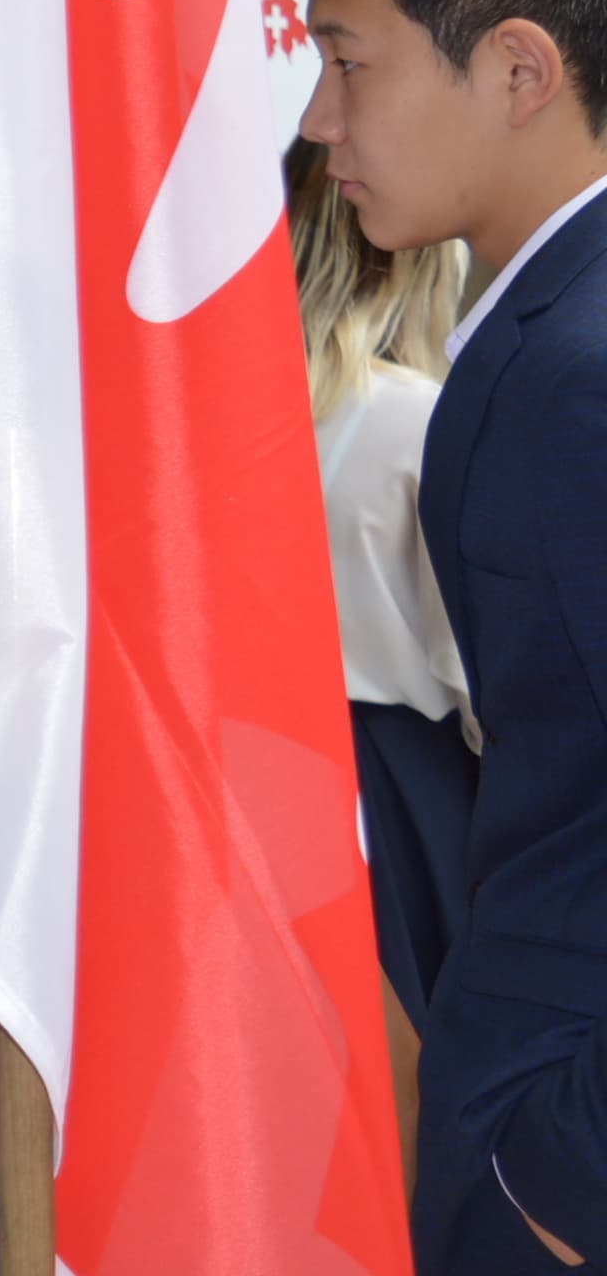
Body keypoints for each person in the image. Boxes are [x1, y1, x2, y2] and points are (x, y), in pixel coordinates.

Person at [277, 0, 607, 1275]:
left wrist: (567, 1165)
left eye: (350, 62)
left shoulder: (578, 364)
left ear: (521, 70)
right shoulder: (533, 334)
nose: (318, 120)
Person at [282, 136, 478, 1185]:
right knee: (416, 1124)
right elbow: (471, 659)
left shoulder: (237, 417)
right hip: (407, 790)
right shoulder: (421, 414)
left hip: (266, 777)